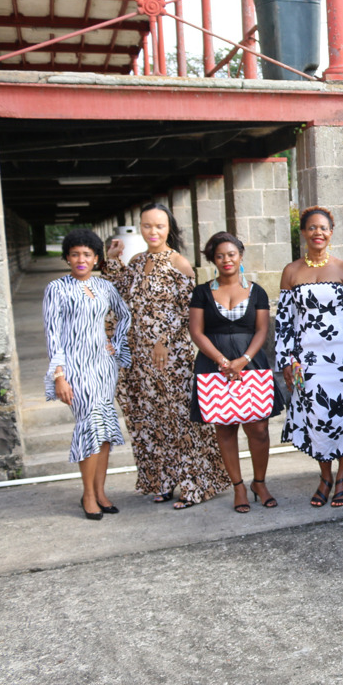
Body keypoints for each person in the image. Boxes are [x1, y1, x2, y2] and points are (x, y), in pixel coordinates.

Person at [106, 202, 228, 509]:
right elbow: (120, 294)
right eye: (147, 226)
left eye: (159, 226)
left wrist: (163, 339)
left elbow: (190, 311)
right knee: (150, 421)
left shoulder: (179, 263)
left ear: (169, 228)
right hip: (137, 358)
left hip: (170, 358)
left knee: (180, 422)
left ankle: (195, 485)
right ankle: (161, 480)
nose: (153, 232)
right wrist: (112, 261)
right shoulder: (136, 261)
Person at [276, 206, 343, 508]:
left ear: (331, 232)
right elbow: (284, 322)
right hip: (307, 361)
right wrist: (286, 360)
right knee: (315, 416)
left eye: (324, 228)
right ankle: (324, 475)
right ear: (303, 232)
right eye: (312, 228)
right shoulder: (291, 271)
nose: (318, 233)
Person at [189, 232, 286, 513]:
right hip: (212, 365)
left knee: (258, 427)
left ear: (240, 255)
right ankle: (239, 487)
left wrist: (242, 359)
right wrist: (222, 360)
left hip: (250, 363)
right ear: (213, 260)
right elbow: (196, 331)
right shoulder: (202, 292)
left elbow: (262, 329)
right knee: (225, 426)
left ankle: (260, 482)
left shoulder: (256, 291)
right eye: (220, 256)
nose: (226, 260)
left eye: (231, 254)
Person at [43, 229, 132, 520]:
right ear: (67, 257)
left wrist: (115, 345)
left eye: (87, 254)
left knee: (104, 429)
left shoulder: (104, 286)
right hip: (75, 368)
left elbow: (124, 315)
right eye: (75, 254)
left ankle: (101, 490)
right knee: (89, 426)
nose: (81, 259)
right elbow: (53, 335)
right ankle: (88, 494)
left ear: (96, 258)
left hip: (103, 367)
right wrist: (59, 375)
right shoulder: (56, 288)